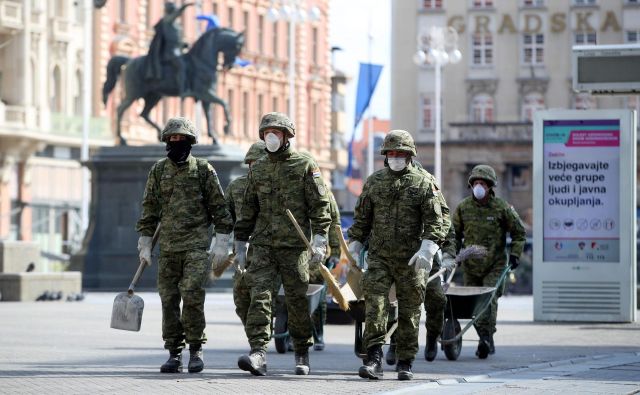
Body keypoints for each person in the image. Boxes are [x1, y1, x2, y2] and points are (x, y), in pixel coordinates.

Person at [233, 112, 332, 376]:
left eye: (276, 132)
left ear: (287, 135)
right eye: (267, 133)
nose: (271, 137)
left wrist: (320, 239)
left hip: (294, 246)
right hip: (263, 245)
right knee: (259, 298)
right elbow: (248, 208)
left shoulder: (304, 165)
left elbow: (320, 207)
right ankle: (258, 353)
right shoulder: (260, 167)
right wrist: (240, 243)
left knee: (296, 301)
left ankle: (301, 351)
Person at [347, 129, 448, 381]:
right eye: (391, 153)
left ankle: (405, 361)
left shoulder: (424, 182)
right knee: (375, 307)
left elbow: (438, 220)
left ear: (410, 155)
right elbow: (362, 218)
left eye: (400, 153)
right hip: (379, 257)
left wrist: (428, 247)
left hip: (412, 260)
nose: (395, 157)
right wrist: (355, 242)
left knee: (410, 312)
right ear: (384, 155)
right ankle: (373, 359)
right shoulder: (374, 182)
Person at [135, 117, 233, 373]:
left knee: (191, 295)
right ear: (166, 141)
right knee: (168, 299)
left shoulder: (203, 170)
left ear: (190, 142)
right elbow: (149, 211)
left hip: (196, 248)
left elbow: (220, 211)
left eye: (182, 139)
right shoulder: (158, 171)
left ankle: (195, 349)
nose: (176, 143)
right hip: (167, 249)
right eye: (172, 139)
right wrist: (145, 243)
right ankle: (174, 353)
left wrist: (221, 243)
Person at [452, 164, 526, 359]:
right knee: (472, 304)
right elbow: (454, 235)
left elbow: (519, 232)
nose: (478, 186)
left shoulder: (502, 208)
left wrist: (516, 254)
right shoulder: (463, 208)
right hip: (471, 267)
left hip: (495, 264)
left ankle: (486, 337)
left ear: (490, 186)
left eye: (482, 183)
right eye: (475, 182)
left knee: (488, 300)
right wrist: (453, 256)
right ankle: (484, 338)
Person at [227, 141, 267, 327]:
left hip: (270, 253)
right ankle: (254, 333)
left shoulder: (280, 185)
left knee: (264, 298)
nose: (254, 167)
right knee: (241, 299)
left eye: (258, 163)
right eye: (251, 163)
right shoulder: (236, 187)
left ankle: (261, 340)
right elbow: (225, 218)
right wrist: (218, 243)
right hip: (243, 252)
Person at [309, 191, 341, 351]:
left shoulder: (325, 193)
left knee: (317, 297)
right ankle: (292, 334)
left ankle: (318, 334)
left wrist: (335, 252)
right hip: (290, 249)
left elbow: (335, 222)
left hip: (317, 253)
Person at [146, 2, 193, 94]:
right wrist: (185, 6)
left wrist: (183, 44)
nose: (175, 10)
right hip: (170, 52)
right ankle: (182, 89)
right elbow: (176, 15)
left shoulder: (175, 24)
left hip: (177, 50)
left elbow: (175, 38)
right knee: (181, 66)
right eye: (173, 9)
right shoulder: (167, 20)